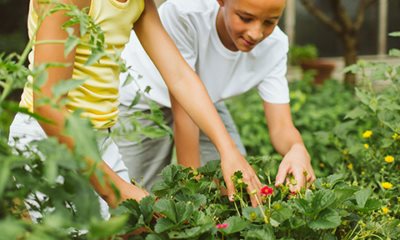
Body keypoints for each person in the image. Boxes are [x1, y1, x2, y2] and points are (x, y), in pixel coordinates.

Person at [8, 0, 263, 220]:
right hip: (49, 139)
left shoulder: (139, 3)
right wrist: (115, 190)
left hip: (99, 139)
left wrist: (228, 150)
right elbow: (47, 104)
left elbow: (179, 76)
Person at [116, 0, 315, 194]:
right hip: (143, 96)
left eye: (270, 22)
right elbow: (184, 105)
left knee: (237, 182)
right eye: (245, 18)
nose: (256, 33)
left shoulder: (275, 45)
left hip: (204, 102)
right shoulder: (185, 14)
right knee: (136, 194)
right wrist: (191, 191)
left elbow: (281, 127)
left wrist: (296, 148)